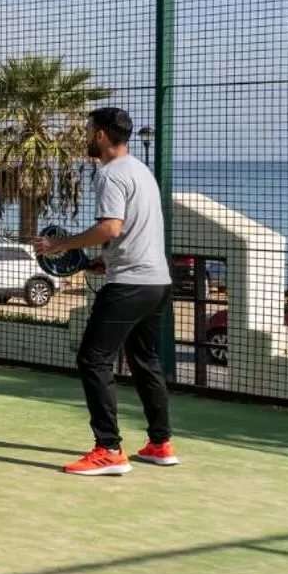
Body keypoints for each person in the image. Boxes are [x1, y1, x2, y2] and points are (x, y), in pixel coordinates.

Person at [34, 107, 179, 476]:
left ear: (100, 135)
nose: (84, 136)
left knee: (92, 358)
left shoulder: (110, 174)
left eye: (87, 130)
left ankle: (108, 449)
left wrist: (61, 244)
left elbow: (111, 228)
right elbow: (135, 230)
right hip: (157, 283)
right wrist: (105, 260)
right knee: (145, 360)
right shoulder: (141, 171)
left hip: (130, 285)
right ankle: (160, 444)